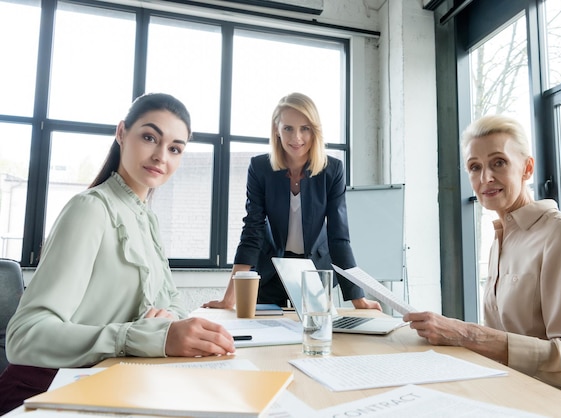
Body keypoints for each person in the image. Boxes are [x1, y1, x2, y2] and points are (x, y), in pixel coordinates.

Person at [0, 93, 235, 413]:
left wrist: (164, 323)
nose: (161, 156)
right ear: (122, 133)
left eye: (175, 148)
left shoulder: (146, 218)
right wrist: (142, 336)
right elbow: (24, 337)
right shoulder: (90, 210)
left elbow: (172, 305)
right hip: (43, 394)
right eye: (150, 137)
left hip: (110, 389)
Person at [403, 114, 561, 399]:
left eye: (499, 162)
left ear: (527, 168)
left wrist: (468, 335)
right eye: (475, 167)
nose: (486, 178)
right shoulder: (501, 239)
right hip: (519, 389)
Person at [204, 92, 381, 310]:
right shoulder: (260, 168)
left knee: (316, 333)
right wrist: (228, 299)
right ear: (276, 130)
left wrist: (358, 299)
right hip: (270, 269)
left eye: (304, 128)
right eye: (288, 128)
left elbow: (339, 238)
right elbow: (252, 231)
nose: (296, 138)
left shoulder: (332, 170)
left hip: (315, 271)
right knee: (267, 336)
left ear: (314, 131)